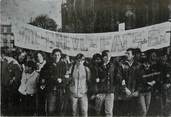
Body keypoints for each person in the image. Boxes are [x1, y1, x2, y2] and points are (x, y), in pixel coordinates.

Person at [39, 48, 67, 116]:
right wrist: (43, 82)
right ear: (52, 55)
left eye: (58, 55)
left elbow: (66, 77)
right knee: (50, 110)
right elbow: (42, 74)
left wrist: (62, 80)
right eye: (55, 55)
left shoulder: (63, 64)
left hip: (60, 90)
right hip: (51, 90)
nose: (57, 56)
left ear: (60, 56)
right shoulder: (48, 64)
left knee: (60, 109)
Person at [93, 50, 118, 117]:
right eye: (106, 56)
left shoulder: (113, 66)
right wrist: (96, 92)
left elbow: (116, 78)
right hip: (100, 91)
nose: (107, 58)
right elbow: (95, 79)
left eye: (109, 56)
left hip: (110, 91)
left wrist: (113, 88)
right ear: (103, 57)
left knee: (109, 111)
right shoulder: (98, 66)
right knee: (97, 110)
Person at [118, 48, 142, 116]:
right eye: (126, 53)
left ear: (133, 55)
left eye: (128, 53)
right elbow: (120, 78)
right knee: (124, 112)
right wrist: (125, 88)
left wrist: (138, 91)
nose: (126, 55)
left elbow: (140, 80)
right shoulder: (122, 65)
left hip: (134, 93)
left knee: (134, 112)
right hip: (124, 93)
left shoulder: (138, 65)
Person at [1, 47, 22, 116]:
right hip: (4, 86)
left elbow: (18, 77)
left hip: (11, 88)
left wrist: (13, 80)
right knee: (4, 103)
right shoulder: (3, 62)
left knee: (11, 104)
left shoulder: (15, 63)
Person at [137, 52, 153, 116]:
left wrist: (153, 81)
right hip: (141, 91)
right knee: (144, 110)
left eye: (148, 64)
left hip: (148, 91)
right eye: (145, 63)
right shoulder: (139, 69)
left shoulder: (150, 69)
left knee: (147, 107)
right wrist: (147, 82)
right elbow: (140, 78)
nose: (147, 65)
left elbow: (154, 76)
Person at [35, 51, 47, 115]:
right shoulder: (37, 64)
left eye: (40, 56)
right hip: (37, 84)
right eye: (37, 56)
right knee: (38, 102)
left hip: (44, 85)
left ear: (43, 57)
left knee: (43, 102)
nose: (38, 58)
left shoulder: (46, 64)